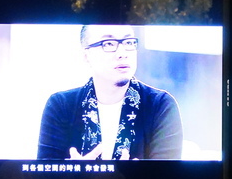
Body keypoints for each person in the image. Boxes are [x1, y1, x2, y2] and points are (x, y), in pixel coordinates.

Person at [37, 25, 183, 160]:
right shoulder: (61, 105)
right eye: (108, 43)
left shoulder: (160, 105)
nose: (123, 53)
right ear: (86, 55)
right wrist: (76, 175)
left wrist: (135, 177)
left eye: (128, 42)